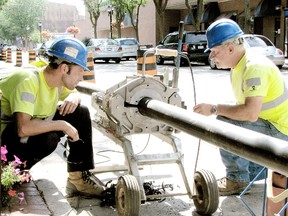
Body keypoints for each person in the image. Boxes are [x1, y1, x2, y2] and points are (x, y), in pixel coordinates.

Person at [0, 37, 106, 198]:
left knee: (80, 112)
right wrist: (62, 124)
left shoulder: (54, 80)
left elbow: (72, 94)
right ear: (64, 68)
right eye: (80, 71)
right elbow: (23, 129)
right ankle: (13, 172)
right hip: (5, 142)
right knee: (50, 138)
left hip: (17, 136)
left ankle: (78, 180)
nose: (81, 77)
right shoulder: (28, 80)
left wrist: (75, 97)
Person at [193, 18, 288, 196]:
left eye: (214, 51)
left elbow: (250, 114)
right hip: (274, 126)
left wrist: (213, 109)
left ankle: (238, 180)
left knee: (224, 125)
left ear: (230, 49)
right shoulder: (239, 65)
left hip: (282, 133)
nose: (211, 57)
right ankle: (255, 174)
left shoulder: (254, 67)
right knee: (230, 125)